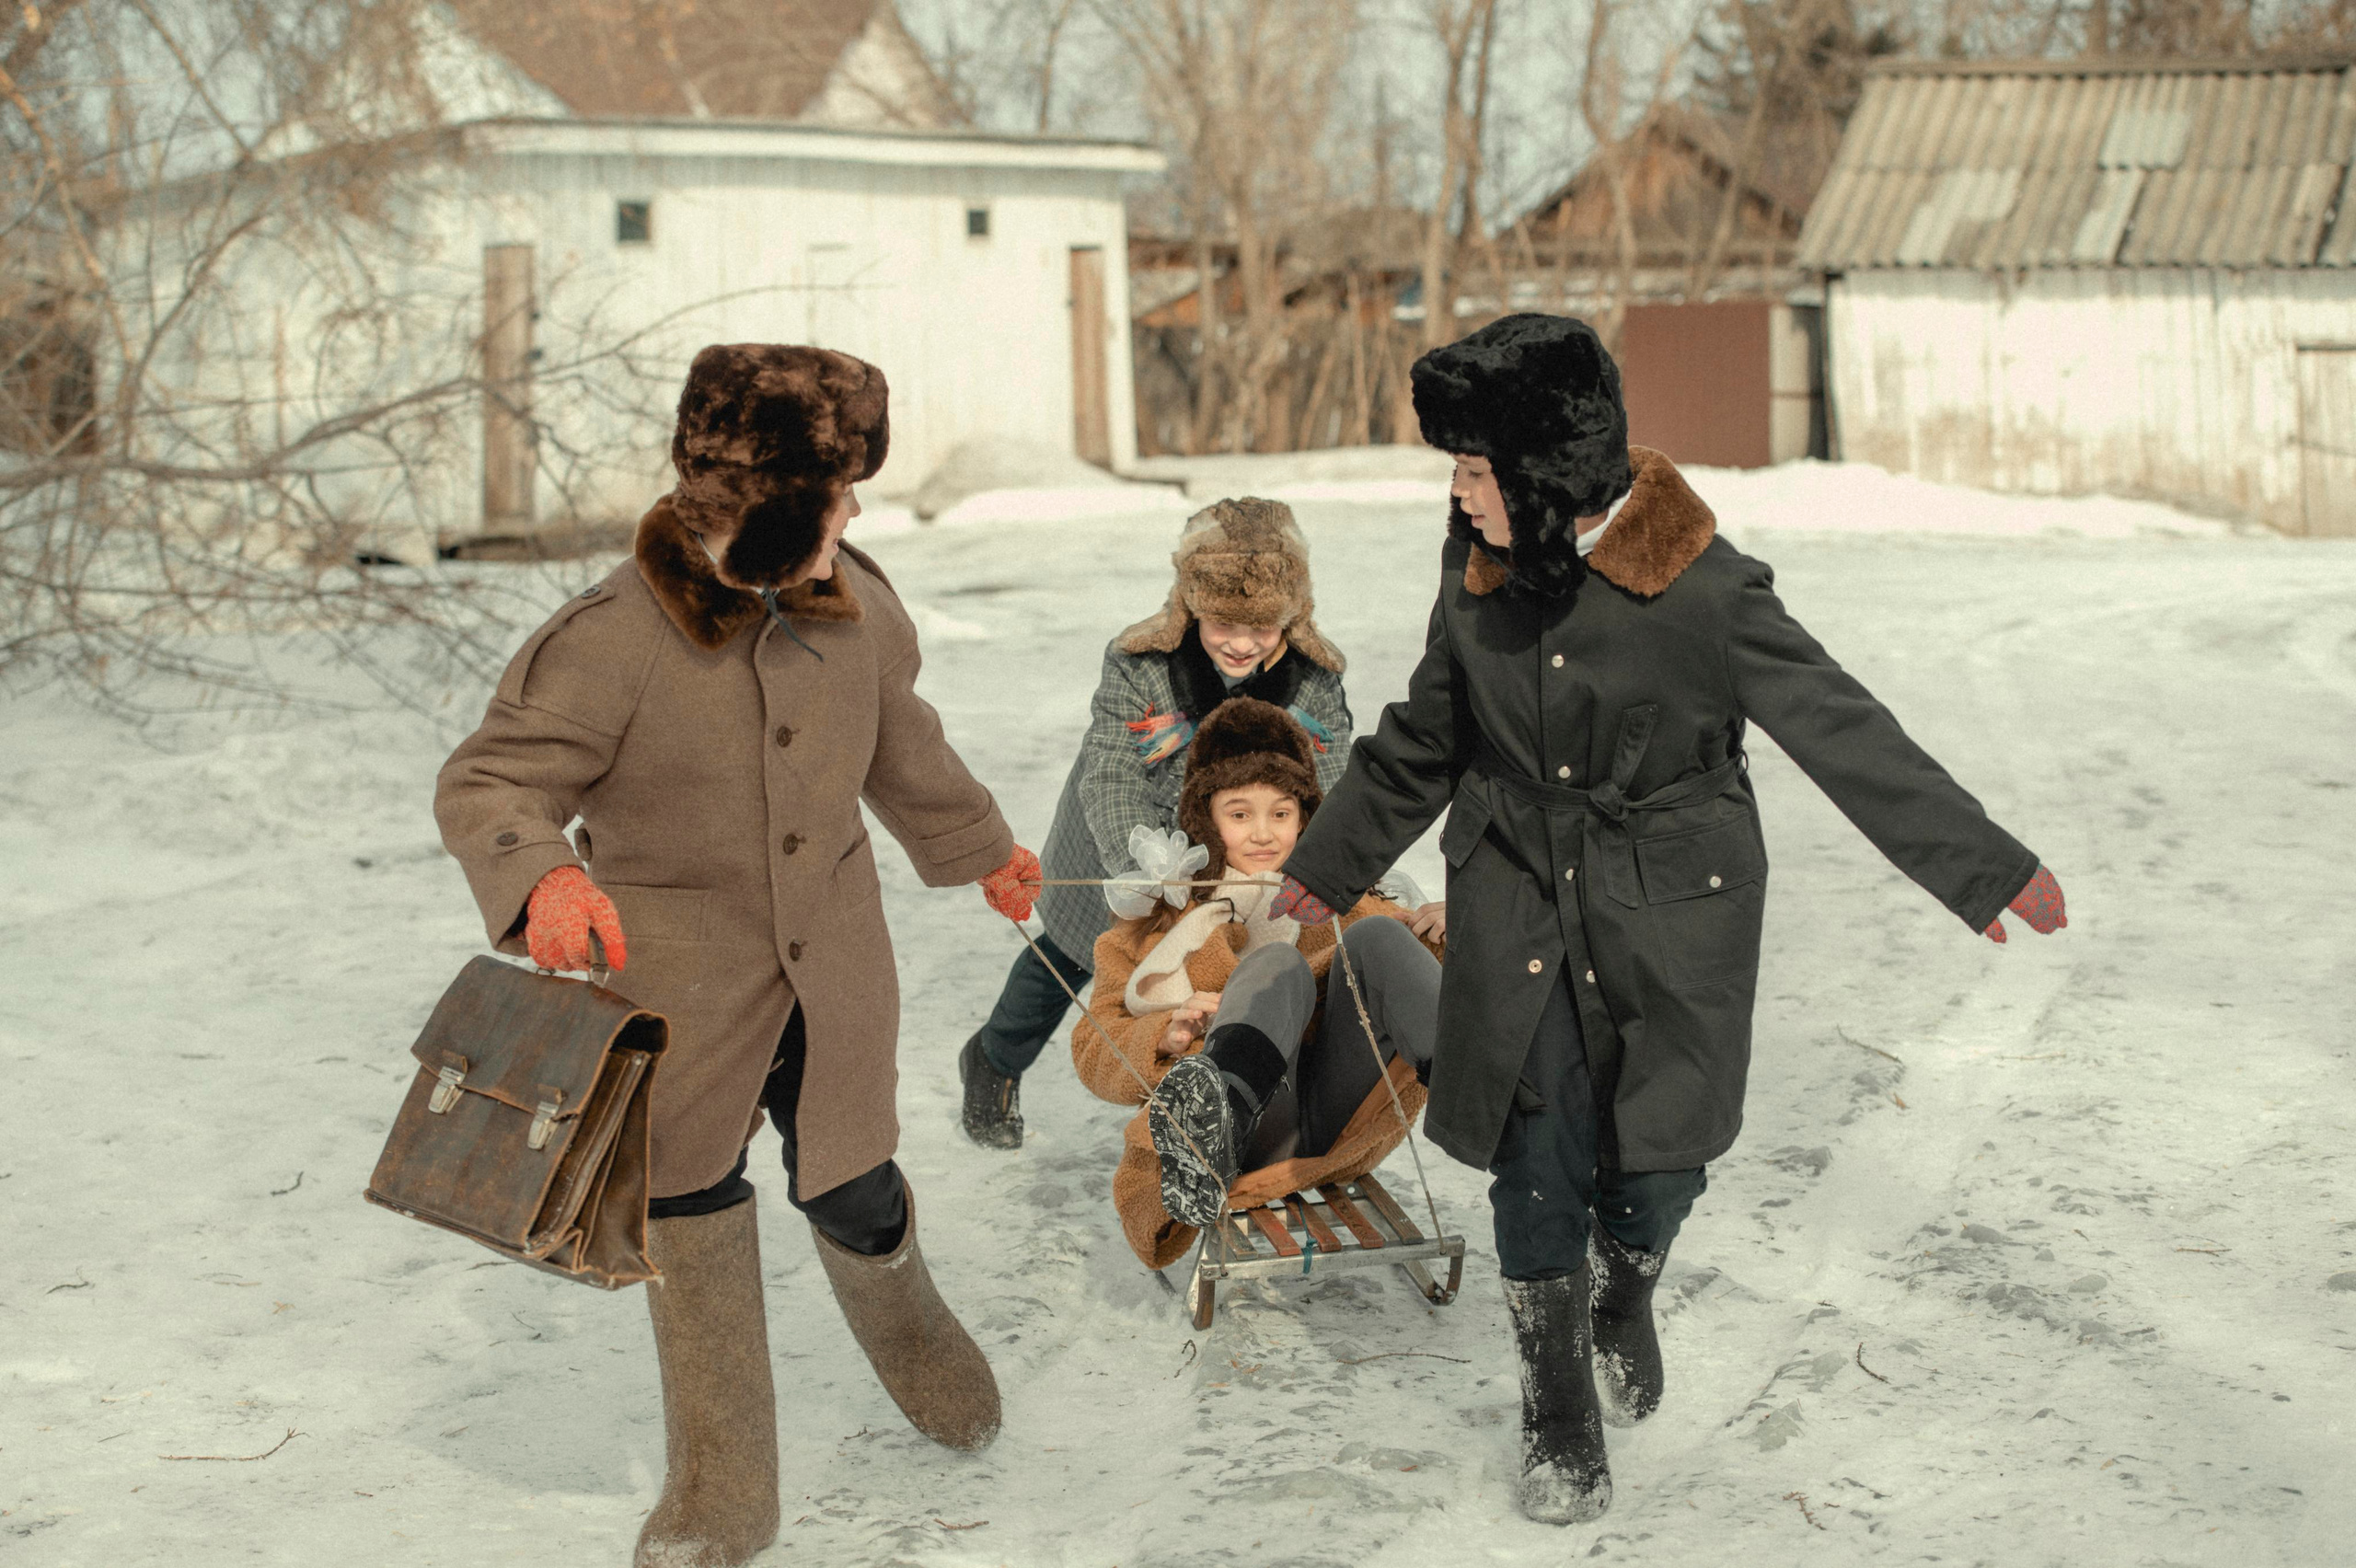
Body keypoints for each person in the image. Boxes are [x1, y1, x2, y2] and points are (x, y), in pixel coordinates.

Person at [1153, 314, 2068, 1524]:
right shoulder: (1477, 569)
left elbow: (1838, 722)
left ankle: (1625, 1289)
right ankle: (1556, 1407)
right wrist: (1332, 859)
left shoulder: (1704, 588)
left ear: (1540, 474)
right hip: (1519, 881)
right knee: (1538, 1157)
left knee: (1661, 1159)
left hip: (1672, 901)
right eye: (1458, 470)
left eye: (1476, 471)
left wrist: (1978, 864)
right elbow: (1430, 730)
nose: (1459, 494)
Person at [434, 344, 1043, 1568]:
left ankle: (909, 1323)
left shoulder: (858, 607)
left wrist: (978, 847)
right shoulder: (612, 639)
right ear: (768, 508)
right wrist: (543, 874)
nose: (859, 515)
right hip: (681, 977)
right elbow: (493, 778)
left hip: (836, 963)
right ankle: (721, 1483)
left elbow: (902, 745)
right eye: (837, 495)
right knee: (683, 1199)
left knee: (848, 1177)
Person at [958, 498, 1356, 1150]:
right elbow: (1111, 771)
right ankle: (995, 1058)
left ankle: (1216, 1111)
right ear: (1191, 605)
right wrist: (1143, 863)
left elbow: (1331, 778)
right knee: (1078, 952)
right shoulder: (1141, 661)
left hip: (1247, 851)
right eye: (1223, 622)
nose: (1241, 643)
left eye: (1262, 629)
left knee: (1221, 970)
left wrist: (1325, 861)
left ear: (1292, 617)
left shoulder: (1314, 678)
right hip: (1130, 837)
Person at [1069, 698, 1444, 1270]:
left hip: (1337, 1118)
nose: (1263, 834)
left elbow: (1413, 974)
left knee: (1382, 940)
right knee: (1275, 967)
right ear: (1207, 821)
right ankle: (1217, 1117)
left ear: (1305, 817)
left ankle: (1473, 1080)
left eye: (1282, 813)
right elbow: (1092, 1047)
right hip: (1241, 1139)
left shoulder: (1346, 900)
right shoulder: (1151, 923)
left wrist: (1446, 933)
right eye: (1240, 814)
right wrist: (1163, 1036)